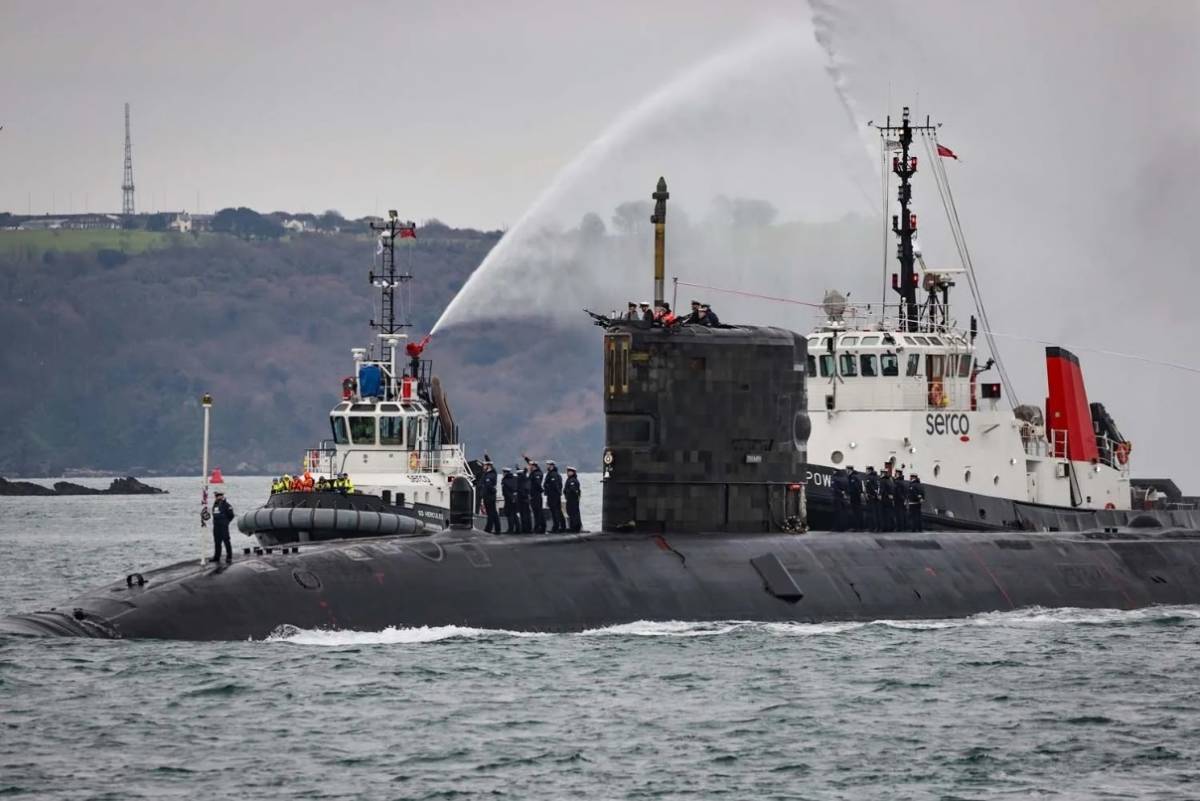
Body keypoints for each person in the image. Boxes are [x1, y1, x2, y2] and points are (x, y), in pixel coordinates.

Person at [211, 490, 235, 565]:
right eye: (217, 496)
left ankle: (229, 556)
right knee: (217, 542)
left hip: (223, 526)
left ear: (222, 496)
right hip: (216, 526)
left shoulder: (227, 505)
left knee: (226, 541)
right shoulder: (215, 505)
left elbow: (231, 515)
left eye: (219, 496)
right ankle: (217, 556)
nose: (218, 497)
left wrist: (226, 522)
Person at [543, 459, 565, 533]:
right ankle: (562, 526)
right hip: (553, 495)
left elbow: (554, 485)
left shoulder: (553, 475)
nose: (547, 466)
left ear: (552, 466)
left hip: (553, 495)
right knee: (557, 511)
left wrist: (548, 488)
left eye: (548, 465)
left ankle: (556, 527)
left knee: (555, 511)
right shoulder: (552, 474)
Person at [525, 457, 546, 533]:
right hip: (533, 495)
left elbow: (537, 484)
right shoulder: (533, 473)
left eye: (530, 466)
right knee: (535, 511)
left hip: (536, 495)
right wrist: (526, 458)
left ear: (533, 466)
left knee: (538, 511)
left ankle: (541, 527)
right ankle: (538, 527)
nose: (528, 467)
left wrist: (541, 490)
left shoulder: (537, 473)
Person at [478, 461, 500, 533]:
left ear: (488, 466)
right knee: (491, 513)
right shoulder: (486, 474)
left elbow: (489, 485)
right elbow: (482, 483)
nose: (483, 467)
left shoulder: (492, 474)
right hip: (486, 496)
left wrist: (492, 490)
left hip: (490, 496)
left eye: (484, 465)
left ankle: (490, 528)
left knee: (492, 513)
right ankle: (493, 528)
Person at [501, 467, 519, 533]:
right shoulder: (515, 478)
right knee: (514, 514)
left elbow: (506, 492)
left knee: (510, 515)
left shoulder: (505, 481)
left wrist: (511, 498)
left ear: (505, 473)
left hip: (509, 500)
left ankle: (511, 529)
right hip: (516, 498)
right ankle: (518, 528)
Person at [564, 466, 582, 532]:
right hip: (570, 499)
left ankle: (575, 527)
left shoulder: (573, 480)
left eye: (569, 472)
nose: (568, 473)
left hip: (573, 500)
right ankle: (573, 527)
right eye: (567, 472)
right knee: (571, 513)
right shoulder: (570, 479)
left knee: (573, 513)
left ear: (573, 472)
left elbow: (574, 490)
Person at [516, 465, 533, 533]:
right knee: (527, 514)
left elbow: (521, 490)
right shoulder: (526, 480)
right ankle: (528, 528)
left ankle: (525, 528)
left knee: (524, 515)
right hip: (526, 499)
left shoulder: (520, 480)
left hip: (522, 499)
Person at [878, 466, 896, 531]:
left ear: (883, 473)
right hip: (890, 499)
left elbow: (882, 489)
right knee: (890, 513)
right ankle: (891, 527)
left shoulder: (882, 480)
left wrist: (879, 495)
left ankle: (884, 528)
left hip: (884, 499)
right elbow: (893, 489)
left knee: (883, 514)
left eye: (881, 473)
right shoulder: (890, 480)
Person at [864, 466, 880, 532]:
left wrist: (872, 494)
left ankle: (874, 527)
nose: (865, 472)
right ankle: (874, 527)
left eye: (867, 470)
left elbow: (873, 488)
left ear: (870, 471)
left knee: (872, 513)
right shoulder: (876, 477)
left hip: (872, 497)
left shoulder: (870, 478)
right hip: (873, 497)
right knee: (874, 513)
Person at [847, 466, 863, 530]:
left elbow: (855, 487)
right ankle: (859, 526)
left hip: (855, 496)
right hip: (856, 496)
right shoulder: (856, 476)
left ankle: (857, 527)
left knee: (855, 511)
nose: (846, 471)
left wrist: (850, 493)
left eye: (847, 470)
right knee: (857, 511)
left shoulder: (853, 477)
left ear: (849, 470)